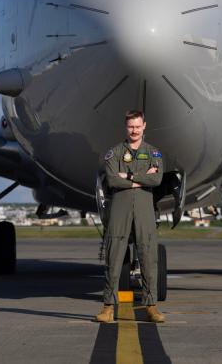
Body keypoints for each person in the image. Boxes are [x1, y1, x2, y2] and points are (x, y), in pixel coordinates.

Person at [95, 110, 165, 323]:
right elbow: (112, 180)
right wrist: (142, 179)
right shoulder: (114, 153)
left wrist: (129, 176)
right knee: (113, 256)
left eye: (137, 126)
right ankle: (108, 307)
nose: (134, 130)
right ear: (126, 128)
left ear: (144, 125)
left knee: (148, 255)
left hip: (144, 209)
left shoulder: (154, 153)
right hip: (119, 208)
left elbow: (158, 179)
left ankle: (151, 306)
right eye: (130, 127)